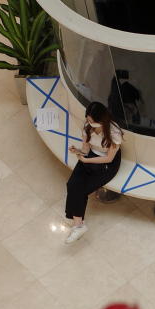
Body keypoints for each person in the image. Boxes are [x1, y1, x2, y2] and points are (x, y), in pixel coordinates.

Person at [64, 102, 123, 245]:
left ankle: (78, 225)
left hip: (107, 164)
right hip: (90, 156)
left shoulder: (114, 133)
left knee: (81, 190)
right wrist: (78, 152)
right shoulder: (87, 128)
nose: (88, 123)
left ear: (101, 120)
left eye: (92, 121)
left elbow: (109, 158)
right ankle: (79, 225)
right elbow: (85, 150)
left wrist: (86, 160)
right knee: (72, 184)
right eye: (88, 120)